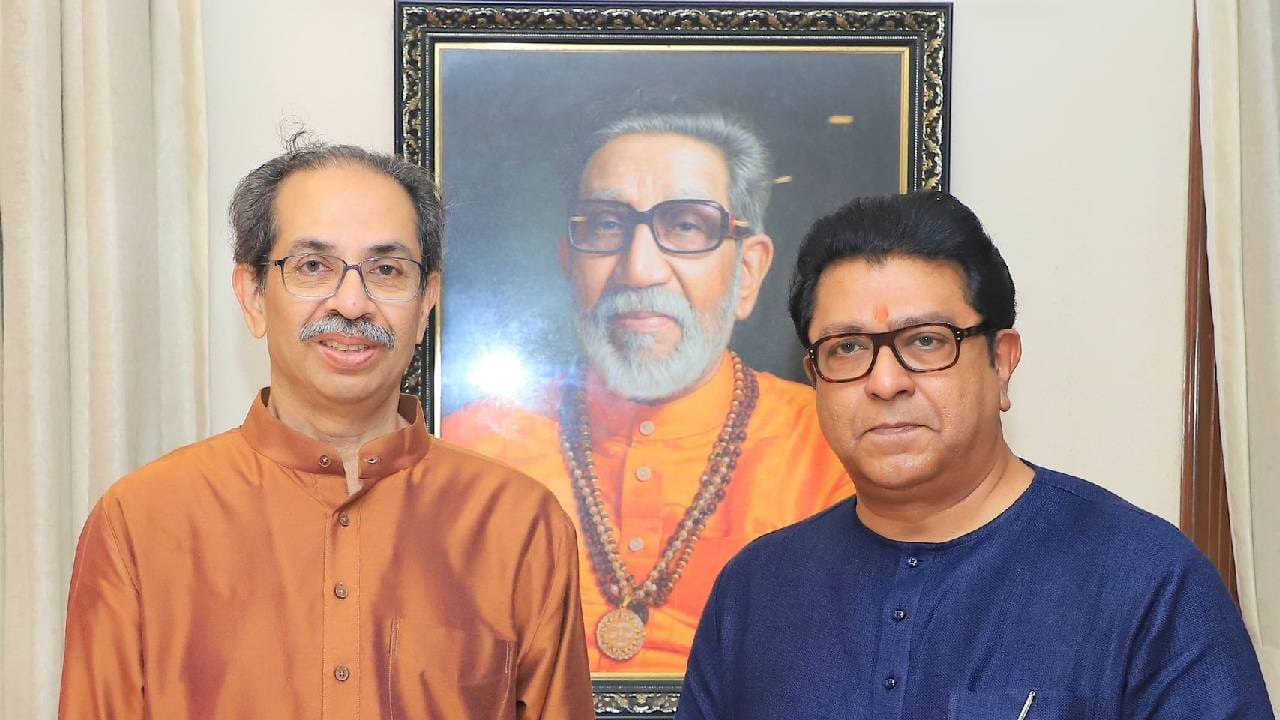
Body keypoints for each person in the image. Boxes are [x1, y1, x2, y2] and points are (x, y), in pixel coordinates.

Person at [676, 191, 1273, 718]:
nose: (885, 382)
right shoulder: (756, 591)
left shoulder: (1145, 580)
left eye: (926, 341)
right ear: (815, 377)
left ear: (1002, 363)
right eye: (847, 348)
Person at [58, 139, 595, 719]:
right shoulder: (141, 522)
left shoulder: (519, 525)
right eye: (314, 266)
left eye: (386, 270)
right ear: (253, 296)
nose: (352, 303)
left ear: (426, 303)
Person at [443, 112, 851, 672]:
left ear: (749, 272)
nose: (638, 270)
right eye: (606, 225)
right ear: (569, 264)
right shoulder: (469, 449)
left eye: (685, 226)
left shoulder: (833, 449)